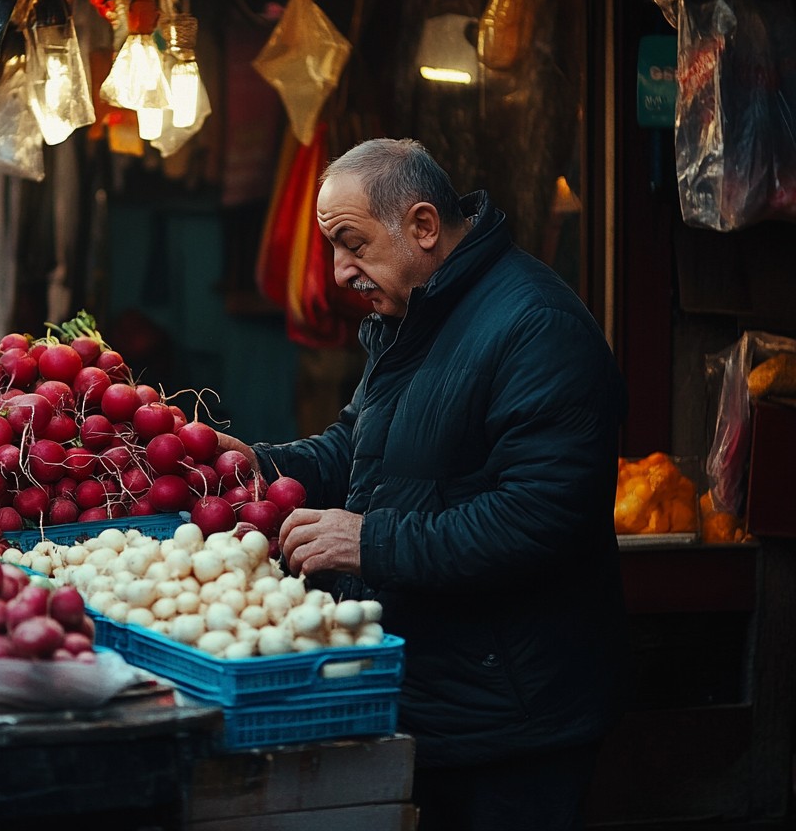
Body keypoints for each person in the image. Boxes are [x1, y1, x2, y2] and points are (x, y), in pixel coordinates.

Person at [216, 138, 627, 830]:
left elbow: (536, 521)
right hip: (434, 697)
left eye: (352, 244)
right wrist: (268, 466)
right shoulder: (413, 315)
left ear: (424, 226)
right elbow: (362, 447)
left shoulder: (539, 328)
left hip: (515, 717)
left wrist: (371, 542)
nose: (341, 271)